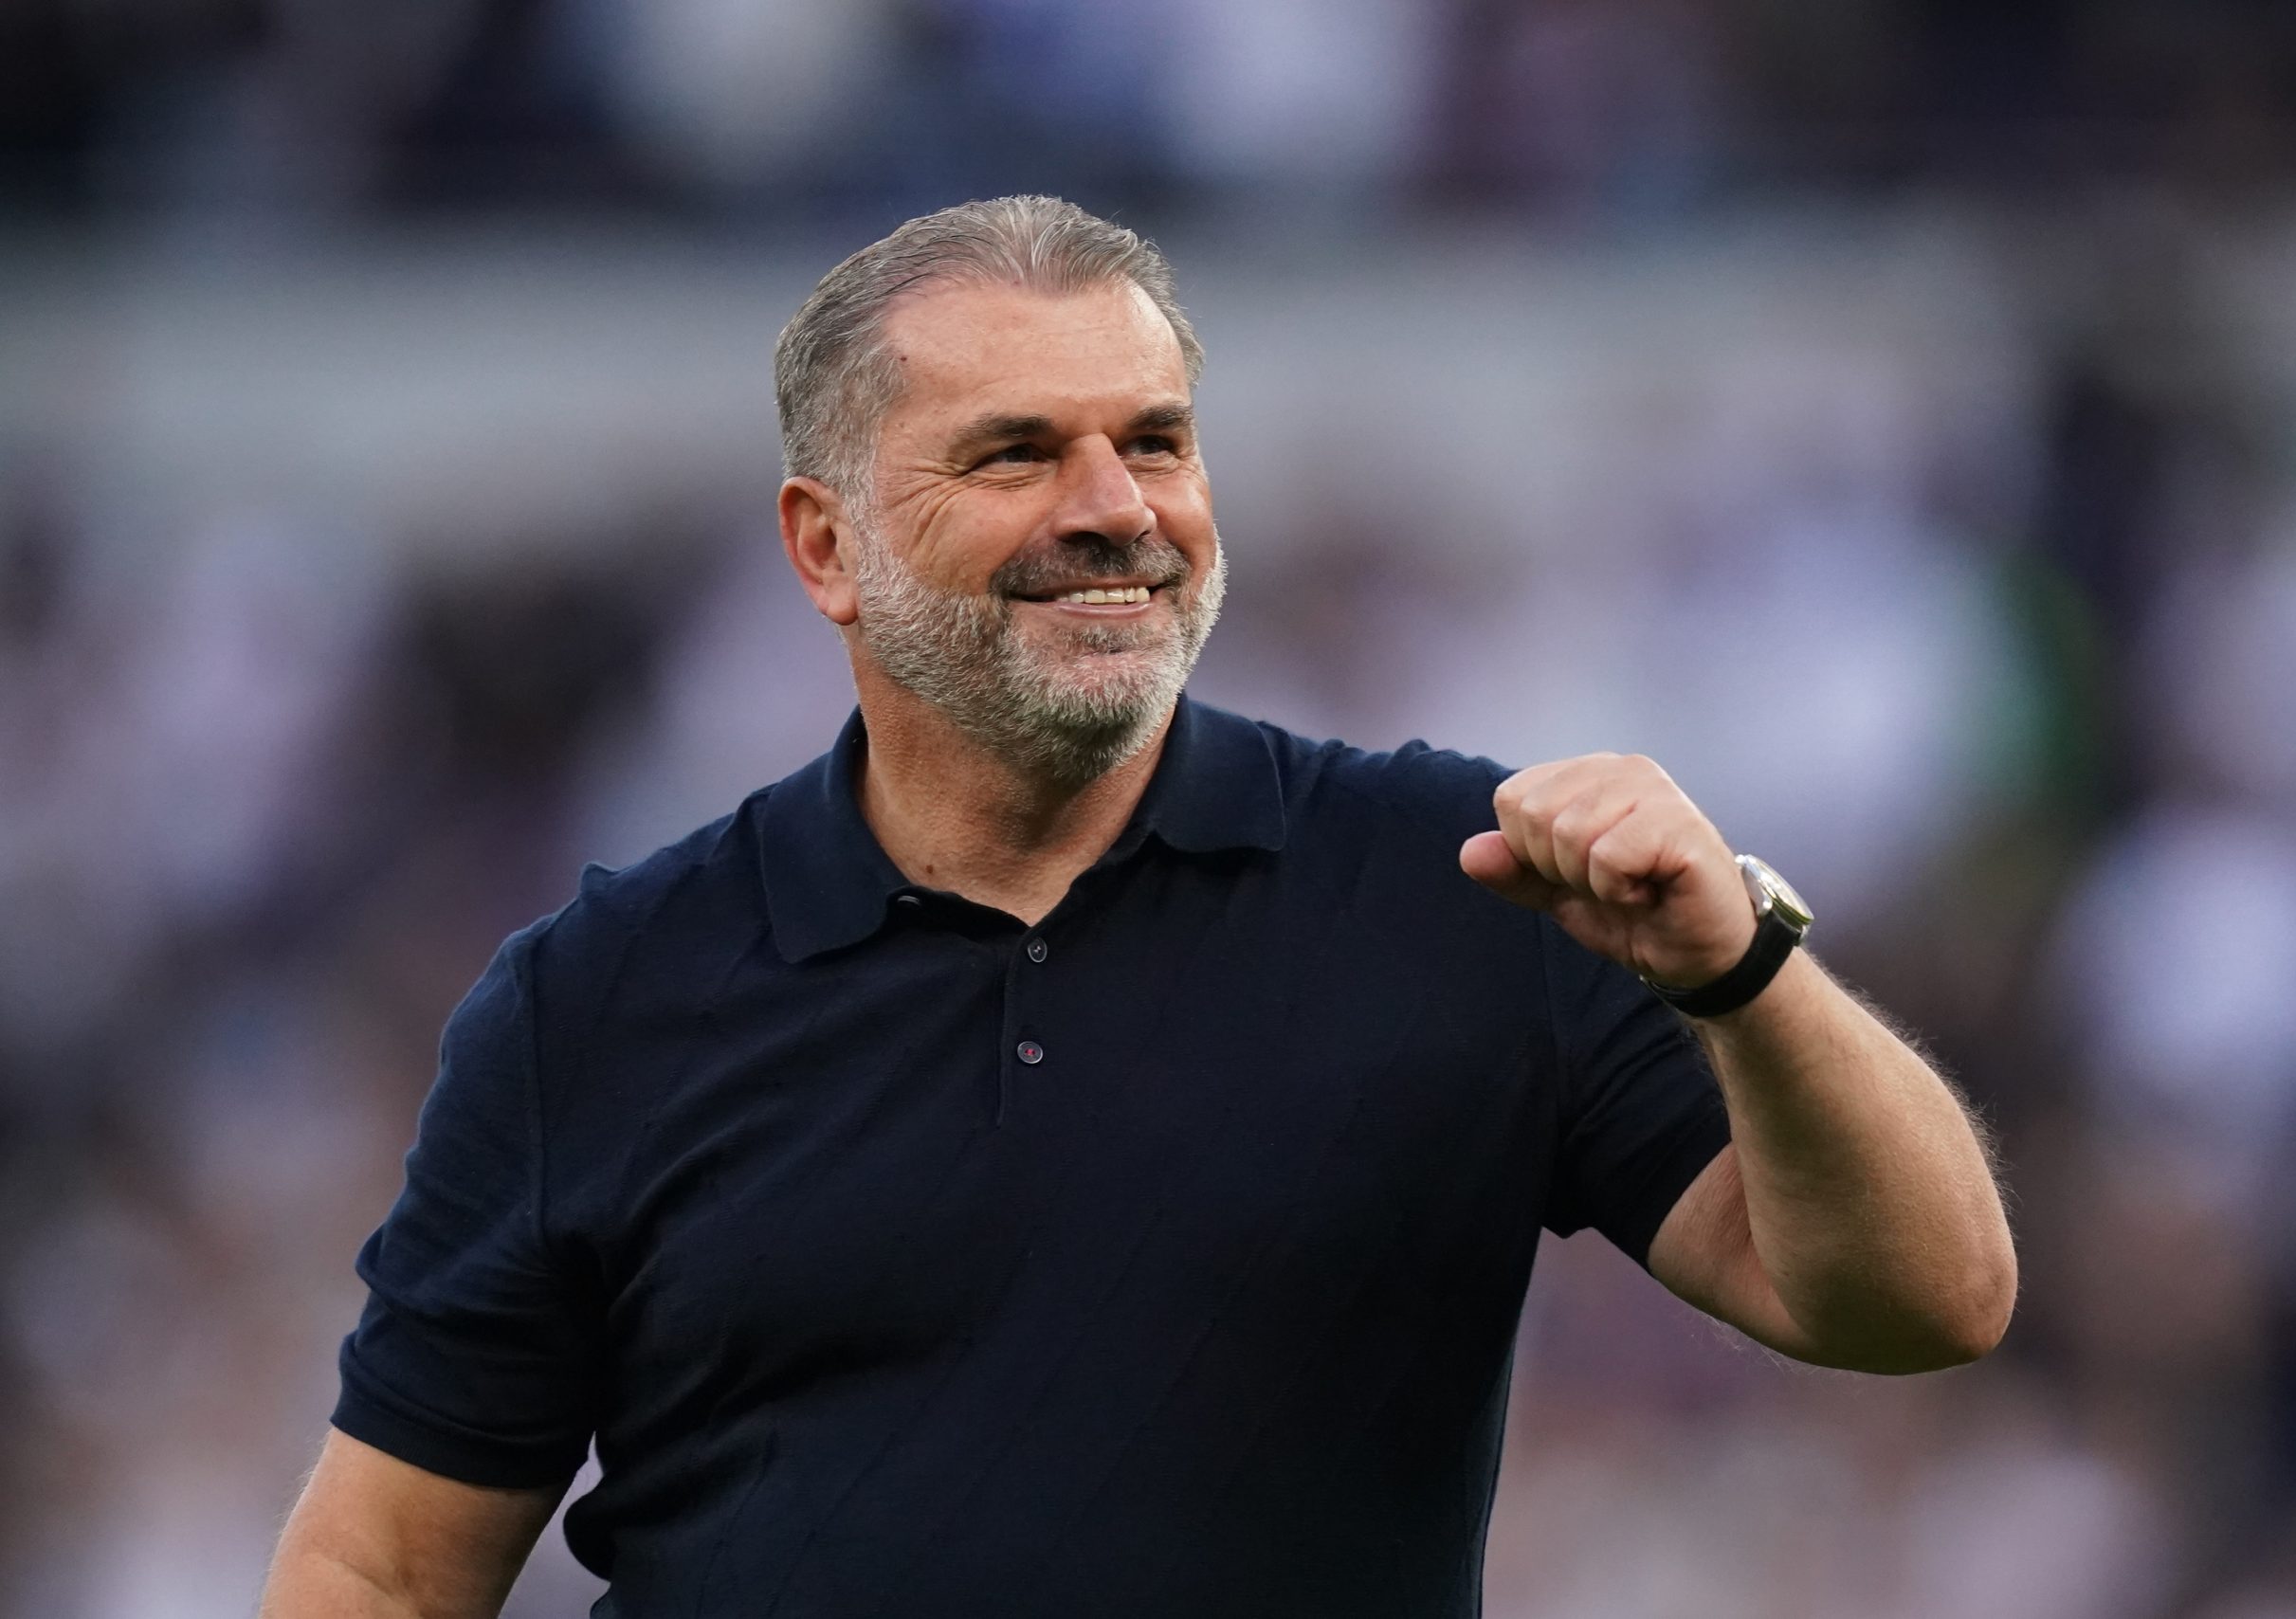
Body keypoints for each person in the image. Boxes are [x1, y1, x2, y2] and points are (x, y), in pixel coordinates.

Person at [257, 195, 2014, 1619]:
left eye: (1155, 441)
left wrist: (1747, 972)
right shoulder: (601, 995)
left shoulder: (1462, 881)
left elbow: (1927, 1298)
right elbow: (384, 1571)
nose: (1116, 511)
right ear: (825, 546)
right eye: (1016, 454)